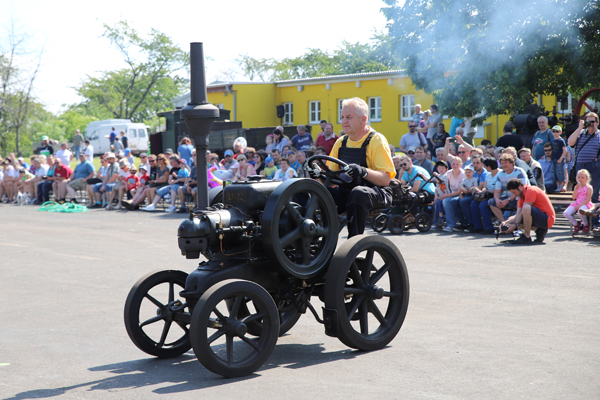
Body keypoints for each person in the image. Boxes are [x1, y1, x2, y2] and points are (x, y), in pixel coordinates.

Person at [326, 97, 396, 237]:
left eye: (349, 117)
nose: (344, 121)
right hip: (347, 191)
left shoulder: (376, 140)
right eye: (342, 117)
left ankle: (353, 242)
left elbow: (385, 180)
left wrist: (363, 171)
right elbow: (331, 177)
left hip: (376, 192)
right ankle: (315, 240)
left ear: (363, 119)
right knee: (312, 190)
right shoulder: (341, 142)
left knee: (358, 193)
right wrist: (317, 176)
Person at [501, 179, 555, 244]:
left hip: (547, 219)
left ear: (520, 187)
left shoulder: (531, 190)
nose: (515, 195)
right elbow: (517, 215)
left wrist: (515, 225)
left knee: (526, 208)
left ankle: (526, 236)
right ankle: (539, 230)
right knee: (513, 221)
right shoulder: (521, 196)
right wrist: (505, 223)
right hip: (540, 218)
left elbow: (526, 209)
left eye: (514, 192)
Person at [567, 112, 600, 204]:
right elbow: (570, 143)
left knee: (593, 192)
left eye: (592, 121)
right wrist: (579, 127)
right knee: (581, 192)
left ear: (597, 123)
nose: (590, 123)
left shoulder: (599, 135)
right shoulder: (581, 133)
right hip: (580, 166)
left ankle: (592, 217)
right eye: (587, 121)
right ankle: (583, 214)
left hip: (594, 166)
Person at [489, 153, 529, 223]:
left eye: (506, 163)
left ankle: (518, 225)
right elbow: (497, 191)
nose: (504, 165)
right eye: (502, 163)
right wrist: (497, 199)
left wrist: (507, 200)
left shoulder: (519, 172)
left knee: (518, 199)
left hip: (521, 197)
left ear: (512, 163)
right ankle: (504, 224)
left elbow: (521, 191)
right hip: (508, 198)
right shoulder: (500, 174)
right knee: (491, 202)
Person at [471, 158, 500, 234]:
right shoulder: (488, 174)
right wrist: (483, 190)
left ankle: (489, 227)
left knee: (483, 205)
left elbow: (499, 190)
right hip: (487, 195)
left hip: (497, 196)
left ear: (489, 167)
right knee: (474, 204)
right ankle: (478, 226)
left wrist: (487, 191)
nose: (485, 168)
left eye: (486, 166)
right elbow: (485, 186)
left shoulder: (500, 174)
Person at [563, 169, 594, 234]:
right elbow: (574, 197)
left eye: (582, 177)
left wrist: (579, 206)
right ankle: (576, 224)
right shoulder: (576, 187)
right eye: (579, 177)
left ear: (587, 178)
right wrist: (576, 189)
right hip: (577, 202)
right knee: (566, 213)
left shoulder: (589, 187)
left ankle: (586, 224)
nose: (580, 179)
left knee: (580, 212)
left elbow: (588, 199)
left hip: (585, 203)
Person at [549, 125, 567, 192]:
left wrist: (561, 159)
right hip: (553, 158)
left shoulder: (561, 140)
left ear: (560, 132)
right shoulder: (553, 140)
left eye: (557, 131)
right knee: (554, 172)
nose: (555, 133)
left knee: (560, 172)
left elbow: (565, 150)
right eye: (553, 131)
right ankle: (557, 186)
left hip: (559, 159)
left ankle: (561, 186)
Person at [432, 160, 450, 229]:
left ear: (446, 169)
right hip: (440, 196)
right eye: (439, 168)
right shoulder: (438, 175)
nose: (441, 169)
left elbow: (439, 181)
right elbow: (431, 181)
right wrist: (422, 175)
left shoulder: (446, 176)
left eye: (442, 168)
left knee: (439, 202)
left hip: (446, 195)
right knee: (435, 203)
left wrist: (436, 176)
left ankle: (441, 218)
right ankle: (436, 223)